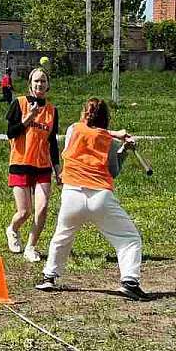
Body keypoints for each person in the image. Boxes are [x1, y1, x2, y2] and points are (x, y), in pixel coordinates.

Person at [34, 98, 149, 301]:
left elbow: (89, 130)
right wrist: (124, 149)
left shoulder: (73, 130)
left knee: (62, 236)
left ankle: (49, 276)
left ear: (85, 114)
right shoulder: (109, 142)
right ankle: (130, 282)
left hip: (72, 195)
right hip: (100, 197)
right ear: (106, 118)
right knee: (129, 239)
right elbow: (113, 171)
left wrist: (118, 141)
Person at [5, 67, 60, 263]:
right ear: (30, 84)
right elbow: (11, 133)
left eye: (43, 81)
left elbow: (52, 142)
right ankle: (12, 229)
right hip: (20, 163)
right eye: (36, 81)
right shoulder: (19, 103)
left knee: (43, 207)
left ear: (48, 85)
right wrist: (28, 118)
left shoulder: (52, 111)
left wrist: (57, 169)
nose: (40, 84)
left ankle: (31, 246)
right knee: (24, 211)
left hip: (42, 166)